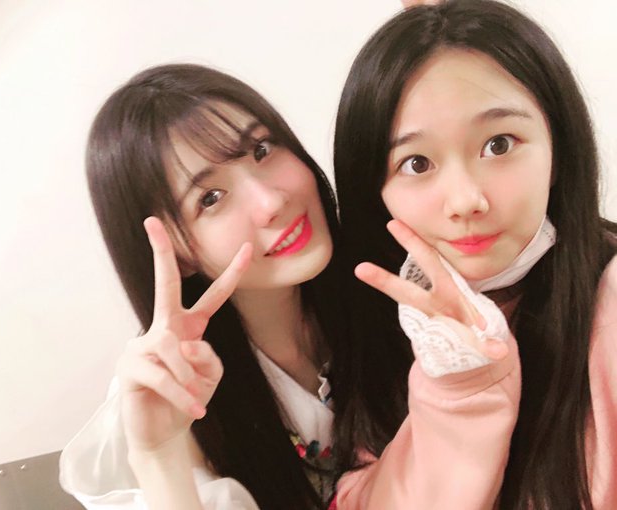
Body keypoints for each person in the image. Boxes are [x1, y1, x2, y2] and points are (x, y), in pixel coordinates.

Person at [332, 0, 617, 508]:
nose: (466, 201)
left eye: (499, 144)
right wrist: (457, 381)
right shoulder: (384, 329)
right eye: (417, 163)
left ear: (557, 149)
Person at [59, 63, 345, 510]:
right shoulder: (169, 386)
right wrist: (158, 457)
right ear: (177, 253)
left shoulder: (396, 291)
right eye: (210, 198)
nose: (271, 201)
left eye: (261, 150)